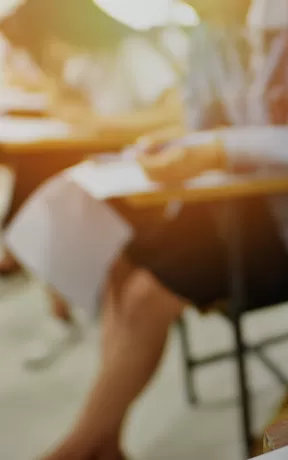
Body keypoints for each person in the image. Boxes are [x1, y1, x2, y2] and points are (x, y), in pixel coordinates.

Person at [6, 0, 288, 458]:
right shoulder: (210, 27)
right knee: (122, 259)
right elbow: (204, 123)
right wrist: (176, 148)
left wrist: (215, 150)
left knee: (150, 293)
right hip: (236, 205)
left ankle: (81, 445)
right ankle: (104, 438)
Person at [0, 0, 189, 369]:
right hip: (111, 177)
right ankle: (60, 302)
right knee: (49, 182)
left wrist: (103, 125)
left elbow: (176, 115)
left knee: (52, 186)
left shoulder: (133, 53)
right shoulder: (85, 61)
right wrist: (56, 80)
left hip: (146, 181)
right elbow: (67, 108)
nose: (50, 51)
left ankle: (52, 295)